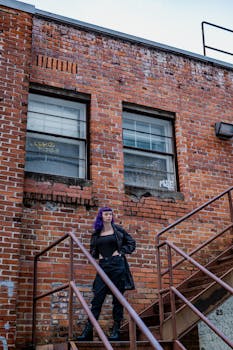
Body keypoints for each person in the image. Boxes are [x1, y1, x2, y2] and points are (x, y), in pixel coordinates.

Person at [77, 206, 136, 342]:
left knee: (117, 299)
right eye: (106, 214)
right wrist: (97, 256)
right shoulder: (97, 234)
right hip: (103, 266)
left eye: (110, 214)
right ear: (101, 217)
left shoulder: (119, 231)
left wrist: (121, 252)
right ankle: (88, 331)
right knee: (97, 298)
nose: (108, 216)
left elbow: (132, 243)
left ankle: (116, 331)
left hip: (117, 266)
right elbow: (93, 251)